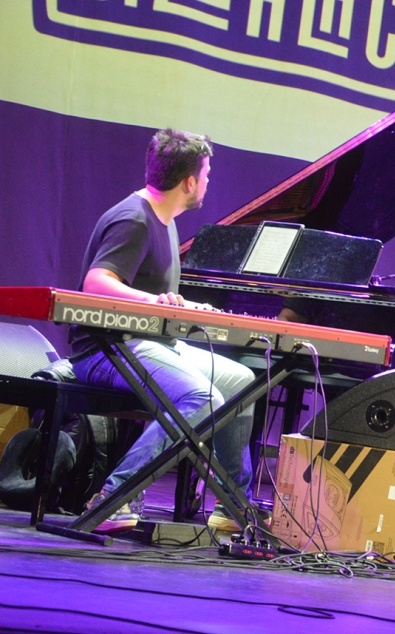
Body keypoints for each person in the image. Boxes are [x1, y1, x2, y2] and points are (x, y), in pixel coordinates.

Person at [70, 128, 260, 535]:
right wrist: (158, 302)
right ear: (189, 181)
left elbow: (152, 297)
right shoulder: (135, 219)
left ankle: (233, 506)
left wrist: (183, 307)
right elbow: (96, 283)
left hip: (148, 343)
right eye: (206, 174)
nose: (207, 182)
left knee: (242, 381)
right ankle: (113, 496)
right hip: (105, 350)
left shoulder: (165, 219)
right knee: (202, 397)